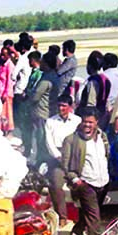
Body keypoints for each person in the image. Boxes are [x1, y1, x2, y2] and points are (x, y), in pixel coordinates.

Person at [61, 107, 110, 235]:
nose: (87, 125)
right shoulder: (71, 140)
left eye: (90, 122)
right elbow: (65, 164)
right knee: (94, 217)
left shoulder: (103, 137)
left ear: (96, 123)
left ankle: (77, 231)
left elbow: (106, 156)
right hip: (85, 183)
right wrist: (76, 180)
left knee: (88, 213)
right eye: (84, 122)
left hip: (103, 182)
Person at [44, 95, 82, 225]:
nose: (61, 108)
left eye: (64, 106)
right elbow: (49, 142)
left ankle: (81, 217)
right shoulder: (51, 121)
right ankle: (62, 216)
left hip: (74, 157)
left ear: (70, 107)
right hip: (58, 157)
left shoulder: (77, 121)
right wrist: (58, 157)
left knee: (80, 184)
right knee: (55, 183)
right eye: (59, 105)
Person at [26, 53, 58, 164]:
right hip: (49, 110)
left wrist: (28, 93)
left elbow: (35, 96)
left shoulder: (46, 79)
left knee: (41, 139)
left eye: (43, 62)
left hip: (41, 112)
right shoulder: (54, 76)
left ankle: (41, 162)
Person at [78, 51, 112, 124]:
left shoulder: (93, 81)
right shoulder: (106, 79)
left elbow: (91, 103)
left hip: (93, 117)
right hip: (103, 115)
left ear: (90, 66)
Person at [0, 42, 17, 133]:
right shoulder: (2, 65)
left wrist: (5, 93)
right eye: (1, 55)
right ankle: (1, 127)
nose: (2, 57)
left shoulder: (10, 65)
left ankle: (7, 129)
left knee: (6, 113)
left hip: (6, 93)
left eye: (4, 55)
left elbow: (10, 81)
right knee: (0, 112)